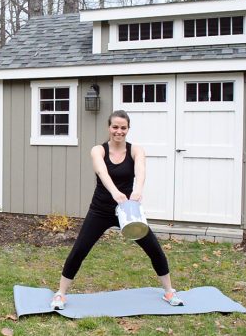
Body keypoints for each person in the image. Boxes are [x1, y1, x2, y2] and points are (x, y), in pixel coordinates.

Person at [50, 110, 183, 310]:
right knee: (79, 250)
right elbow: (101, 171)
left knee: (154, 249)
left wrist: (138, 190)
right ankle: (60, 294)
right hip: (101, 209)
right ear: (108, 128)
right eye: (115, 127)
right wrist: (114, 192)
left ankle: (169, 291)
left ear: (128, 129)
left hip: (129, 210)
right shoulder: (98, 150)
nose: (118, 131)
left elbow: (141, 169)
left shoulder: (136, 150)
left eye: (123, 128)